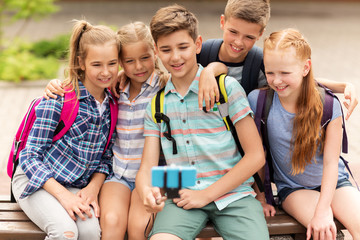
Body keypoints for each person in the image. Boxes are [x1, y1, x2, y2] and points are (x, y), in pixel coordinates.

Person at [136, 4, 269, 240]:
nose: (175, 57)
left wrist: (206, 194)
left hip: (234, 193)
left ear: (197, 44)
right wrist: (146, 190)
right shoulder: (156, 105)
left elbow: (256, 155)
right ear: (156, 51)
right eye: (166, 50)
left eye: (183, 47)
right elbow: (147, 166)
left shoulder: (226, 89)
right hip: (181, 193)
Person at [247, 28, 360, 240]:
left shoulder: (329, 105)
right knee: (324, 233)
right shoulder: (259, 102)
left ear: (305, 68)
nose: (277, 80)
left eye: (285, 73)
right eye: (270, 72)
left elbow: (330, 163)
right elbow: (258, 156)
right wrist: (261, 198)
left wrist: (323, 207)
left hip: (335, 183)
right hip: (294, 188)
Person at [11, 20, 119, 240]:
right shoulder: (59, 99)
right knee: (65, 233)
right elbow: (29, 157)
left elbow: (106, 157)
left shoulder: (113, 105)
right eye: (97, 64)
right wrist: (64, 197)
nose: (106, 72)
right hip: (36, 181)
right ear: (81, 62)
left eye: (112, 63)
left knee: (90, 233)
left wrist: (93, 189)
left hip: (74, 185)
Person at [198, 0, 358, 120]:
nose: (238, 42)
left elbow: (299, 80)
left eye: (249, 37)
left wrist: (344, 86)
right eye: (233, 32)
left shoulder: (261, 63)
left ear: (260, 34)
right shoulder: (201, 54)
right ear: (222, 22)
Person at [98, 22, 168, 240]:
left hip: (154, 176)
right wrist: (54, 83)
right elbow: (82, 82)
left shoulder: (166, 87)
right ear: (121, 62)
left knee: (139, 226)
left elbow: (208, 70)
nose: (138, 66)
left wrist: (214, 69)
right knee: (111, 221)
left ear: (155, 52)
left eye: (145, 57)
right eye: (129, 61)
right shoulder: (114, 88)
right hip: (118, 173)